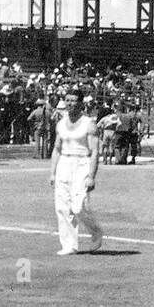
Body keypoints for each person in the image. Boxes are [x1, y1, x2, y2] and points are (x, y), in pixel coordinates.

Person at [49, 89, 102, 256]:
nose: (70, 104)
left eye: (73, 101)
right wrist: (52, 173)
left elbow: (94, 151)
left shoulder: (89, 124)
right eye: (67, 100)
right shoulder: (61, 123)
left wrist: (91, 177)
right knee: (62, 206)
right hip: (64, 162)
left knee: (79, 206)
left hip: (82, 163)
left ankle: (96, 232)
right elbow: (56, 149)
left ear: (80, 103)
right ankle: (69, 245)